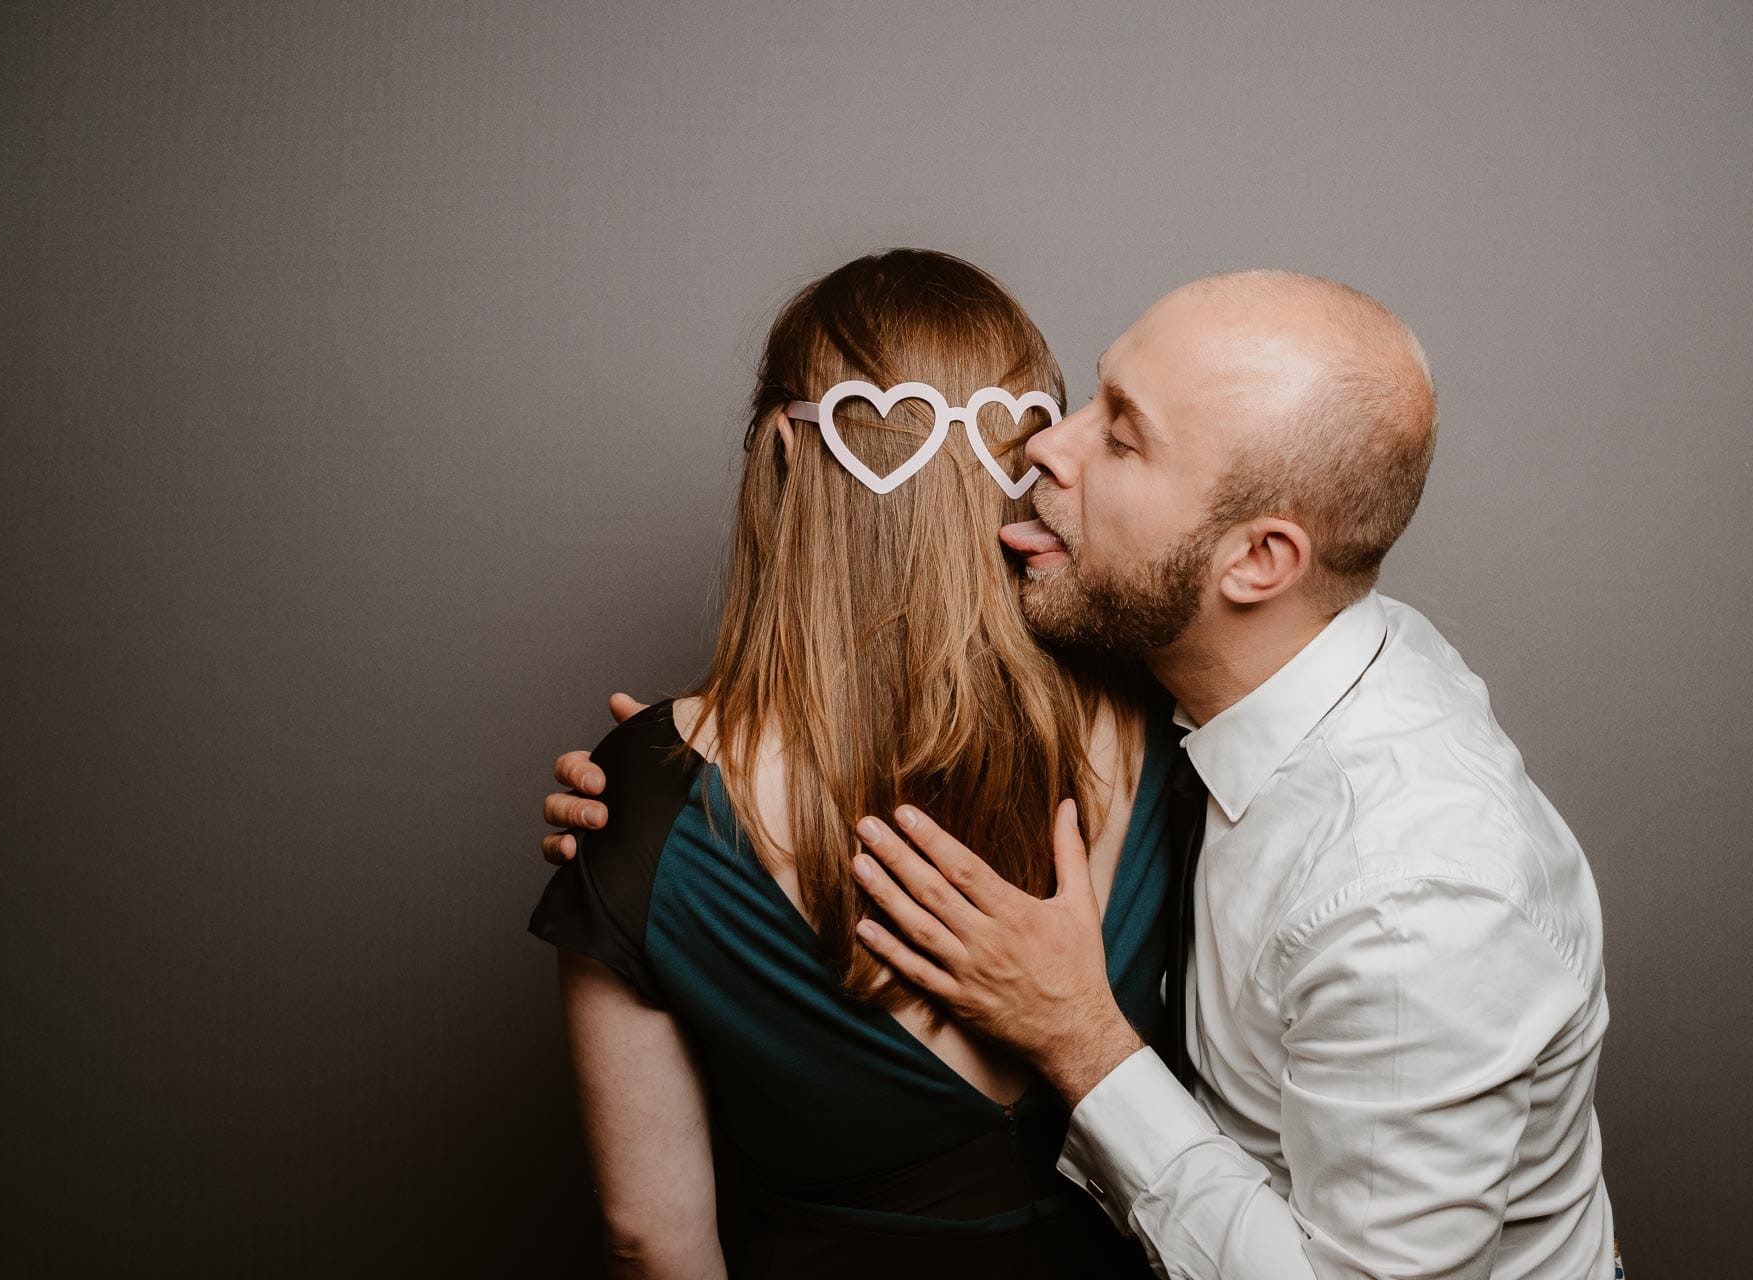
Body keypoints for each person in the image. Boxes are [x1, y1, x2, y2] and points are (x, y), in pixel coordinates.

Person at [549, 271, 1619, 1279]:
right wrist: (662, 792)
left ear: (1258, 562)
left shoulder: (1413, 895)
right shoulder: (1221, 680)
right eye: (1090, 394)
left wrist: (1079, 1034)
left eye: (1120, 434)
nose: (1040, 448)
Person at [528, 248, 1176, 1278]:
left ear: (779, 457)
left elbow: (651, 1235)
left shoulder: (643, 799)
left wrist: (655, 802)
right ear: (1025, 448)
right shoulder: (1170, 716)